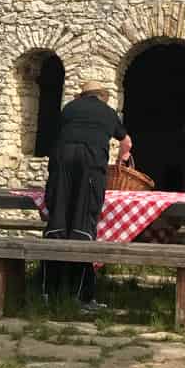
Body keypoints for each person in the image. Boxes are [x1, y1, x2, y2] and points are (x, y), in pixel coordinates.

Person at [42, 80, 132, 309]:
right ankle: (81, 297)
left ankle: (47, 292)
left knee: (58, 222)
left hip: (61, 162)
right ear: (102, 97)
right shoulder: (108, 112)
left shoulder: (69, 109)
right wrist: (121, 161)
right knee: (83, 225)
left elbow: (54, 135)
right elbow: (126, 142)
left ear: (82, 96)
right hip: (91, 165)